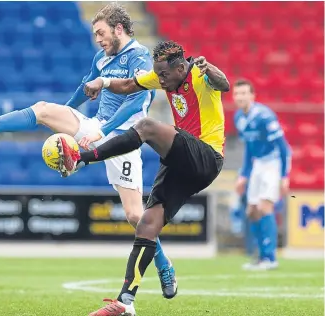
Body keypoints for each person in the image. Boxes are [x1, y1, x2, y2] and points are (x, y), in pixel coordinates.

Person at [0, 3, 177, 295]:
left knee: (135, 216)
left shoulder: (140, 56)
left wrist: (102, 130)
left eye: (101, 33)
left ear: (119, 29)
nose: (98, 39)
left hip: (124, 137)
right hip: (96, 127)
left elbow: (136, 101)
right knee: (43, 109)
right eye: (95, 34)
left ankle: (164, 266)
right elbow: (85, 89)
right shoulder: (101, 58)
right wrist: (64, 117)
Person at [58, 40, 229, 316]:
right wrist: (102, 81)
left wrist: (210, 70)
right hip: (182, 162)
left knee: (146, 126)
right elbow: (128, 85)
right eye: (157, 74)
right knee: (146, 224)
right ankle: (125, 302)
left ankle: (83, 157)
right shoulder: (161, 75)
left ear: (180, 67)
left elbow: (224, 84)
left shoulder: (200, 72)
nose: (160, 80)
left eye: (164, 75)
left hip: (207, 156)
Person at [233, 79, 291, 271]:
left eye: (243, 93)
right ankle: (260, 257)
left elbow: (283, 147)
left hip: (273, 163)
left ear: (252, 96)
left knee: (265, 207)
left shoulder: (265, 116)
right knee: (251, 210)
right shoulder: (239, 118)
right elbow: (249, 149)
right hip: (257, 164)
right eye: (237, 94)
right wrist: (244, 175)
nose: (240, 97)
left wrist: (284, 176)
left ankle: (270, 258)